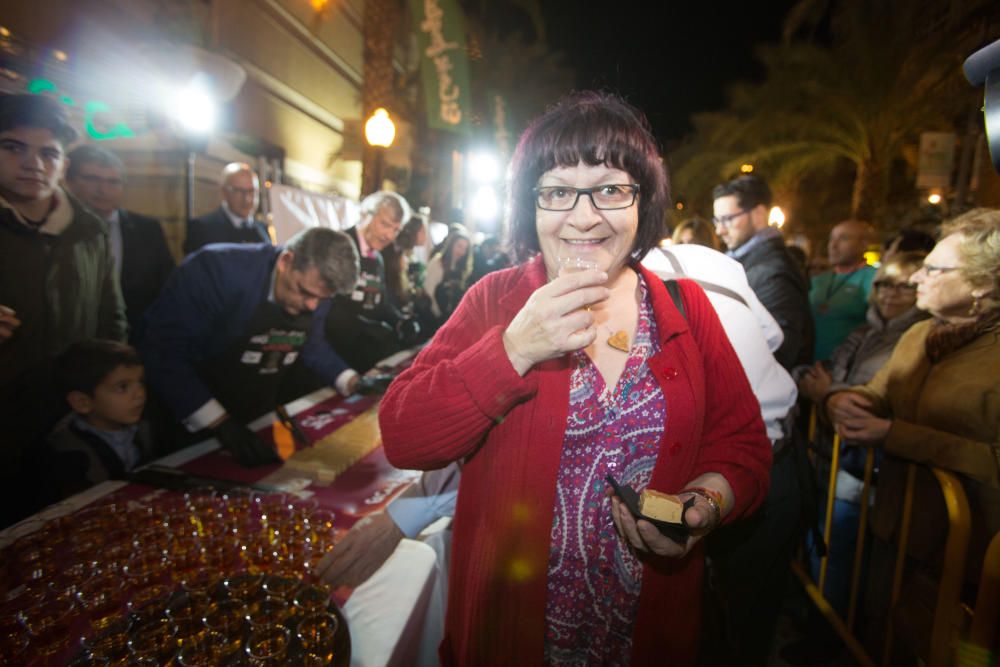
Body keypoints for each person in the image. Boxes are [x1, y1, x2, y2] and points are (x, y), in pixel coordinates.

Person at [379, 92, 771, 665]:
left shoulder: (686, 310)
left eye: (611, 189)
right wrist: (512, 349)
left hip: (648, 632)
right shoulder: (495, 301)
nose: (583, 216)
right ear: (530, 207)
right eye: (558, 191)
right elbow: (405, 435)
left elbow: (744, 447)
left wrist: (701, 506)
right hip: (508, 634)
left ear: (643, 203)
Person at [826, 208, 1000, 661]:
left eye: (935, 269)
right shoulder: (920, 335)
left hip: (969, 561)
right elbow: (879, 392)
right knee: (878, 641)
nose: (917, 276)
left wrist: (896, 435)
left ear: (983, 283)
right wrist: (842, 402)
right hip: (895, 535)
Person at [645, 243, 802, 665]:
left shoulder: (631, 292)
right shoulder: (710, 258)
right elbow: (773, 337)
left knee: (712, 628)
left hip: (737, 468)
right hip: (780, 453)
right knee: (748, 622)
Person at [0, 94, 127, 526]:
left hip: (68, 415)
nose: (32, 163)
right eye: (14, 148)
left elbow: (112, 317)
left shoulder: (89, 230)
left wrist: (110, 389)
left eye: (48, 153)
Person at [141, 227, 359, 466]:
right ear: (286, 261)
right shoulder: (215, 269)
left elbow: (312, 344)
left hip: (256, 413)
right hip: (190, 411)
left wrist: (351, 380)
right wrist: (219, 422)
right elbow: (163, 351)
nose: (312, 306)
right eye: (305, 293)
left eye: (322, 299)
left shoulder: (314, 289)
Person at [794, 252, 927, 631]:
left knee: (841, 551)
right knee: (823, 540)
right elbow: (825, 372)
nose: (891, 294)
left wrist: (827, 392)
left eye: (904, 285)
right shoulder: (862, 332)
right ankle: (820, 620)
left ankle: (832, 631)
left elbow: (870, 398)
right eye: (885, 284)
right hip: (829, 453)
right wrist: (819, 385)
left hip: (866, 466)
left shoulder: (914, 341)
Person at [65, 145, 175, 342]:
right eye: (92, 179)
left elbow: (167, 287)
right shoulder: (57, 227)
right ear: (69, 181)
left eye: (113, 182)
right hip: (72, 344)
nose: (103, 190)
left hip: (136, 342)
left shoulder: (147, 229)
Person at [37, 339, 156, 503]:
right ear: (82, 402)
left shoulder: (145, 427)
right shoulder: (67, 453)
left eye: (140, 383)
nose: (139, 394)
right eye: (123, 387)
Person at [713, 175, 813, 369]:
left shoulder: (772, 271)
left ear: (758, 214)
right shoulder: (745, 263)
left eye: (727, 220)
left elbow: (779, 350)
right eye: (717, 220)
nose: (719, 231)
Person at [324, 190, 419, 372]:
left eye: (395, 230)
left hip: (363, 356)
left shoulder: (377, 257)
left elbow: (380, 302)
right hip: (335, 356)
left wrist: (400, 321)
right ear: (364, 214)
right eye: (385, 224)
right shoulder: (339, 245)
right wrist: (363, 328)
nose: (389, 235)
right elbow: (327, 306)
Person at [809, 220, 877, 361]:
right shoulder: (819, 280)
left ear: (863, 244)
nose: (833, 246)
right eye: (831, 239)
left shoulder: (875, 279)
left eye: (843, 238)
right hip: (807, 367)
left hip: (846, 369)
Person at [183, 163, 271, 255]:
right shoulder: (201, 229)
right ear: (224, 192)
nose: (247, 199)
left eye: (252, 191)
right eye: (239, 191)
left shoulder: (263, 228)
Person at [423, 229, 473, 322]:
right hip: (435, 316)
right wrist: (438, 315)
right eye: (459, 246)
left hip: (451, 317)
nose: (462, 252)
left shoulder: (461, 268)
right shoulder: (438, 263)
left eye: (465, 249)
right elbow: (429, 291)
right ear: (451, 245)